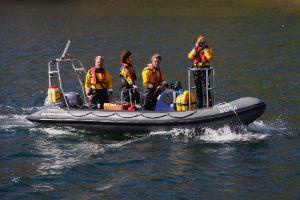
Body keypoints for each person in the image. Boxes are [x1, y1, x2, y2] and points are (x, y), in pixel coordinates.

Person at [188, 35, 213, 108]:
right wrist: (195, 48)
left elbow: (209, 57)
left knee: (205, 87)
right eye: (200, 43)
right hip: (196, 70)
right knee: (198, 88)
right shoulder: (195, 49)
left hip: (205, 69)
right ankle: (199, 105)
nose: (201, 44)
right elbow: (190, 56)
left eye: (203, 42)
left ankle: (208, 104)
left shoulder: (208, 49)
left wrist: (205, 49)